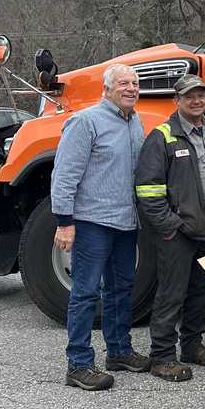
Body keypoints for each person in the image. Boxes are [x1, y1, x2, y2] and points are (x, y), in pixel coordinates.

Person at [51, 63, 148, 391]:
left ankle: (119, 350)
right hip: (92, 222)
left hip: (125, 222)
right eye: (123, 83)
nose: (131, 88)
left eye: (135, 83)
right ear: (106, 89)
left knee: (121, 288)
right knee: (86, 292)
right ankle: (78, 364)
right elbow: (64, 174)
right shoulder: (85, 122)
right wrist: (64, 222)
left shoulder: (136, 122)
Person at [135, 74, 205, 382]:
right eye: (189, 96)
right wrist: (170, 225)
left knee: (201, 290)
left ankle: (192, 345)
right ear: (177, 101)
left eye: (201, 95)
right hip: (178, 231)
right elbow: (148, 190)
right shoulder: (162, 136)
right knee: (171, 293)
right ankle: (162, 356)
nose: (196, 100)